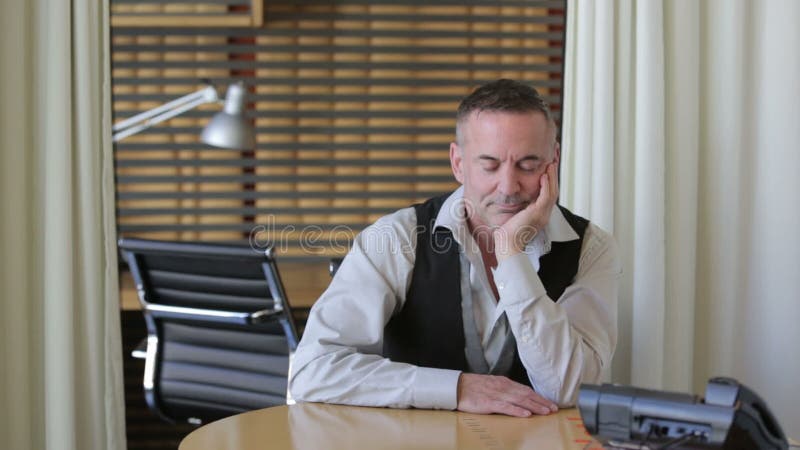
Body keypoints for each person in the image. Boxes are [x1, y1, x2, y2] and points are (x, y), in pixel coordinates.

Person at [288, 79, 620, 418]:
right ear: (458, 163)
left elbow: (571, 389)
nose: (508, 187)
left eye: (528, 164)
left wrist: (511, 255)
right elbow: (311, 370)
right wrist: (455, 388)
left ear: (554, 160)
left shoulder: (591, 248)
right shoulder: (397, 238)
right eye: (489, 165)